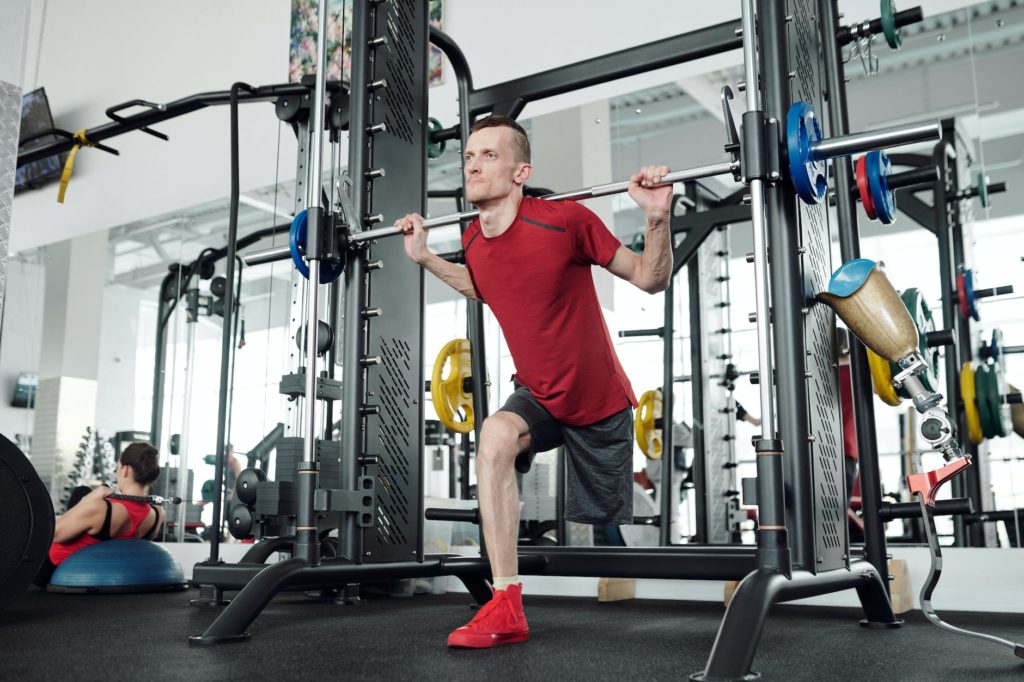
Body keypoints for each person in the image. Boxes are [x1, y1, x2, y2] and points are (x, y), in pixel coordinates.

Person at [397, 115, 672, 648]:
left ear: (522, 171)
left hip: (597, 402)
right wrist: (427, 257)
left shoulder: (566, 220)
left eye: (490, 156)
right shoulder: (473, 236)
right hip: (539, 395)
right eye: (470, 156)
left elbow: (650, 278)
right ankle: (506, 604)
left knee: (608, 534)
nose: (474, 164)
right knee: (495, 435)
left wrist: (657, 218)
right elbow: (485, 287)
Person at [33, 442, 164, 587]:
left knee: (81, 492)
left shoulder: (101, 509)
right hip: (108, 574)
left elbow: (53, 534)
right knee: (82, 491)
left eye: (117, 468)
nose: (117, 472)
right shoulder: (157, 514)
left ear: (125, 470)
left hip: (52, 569)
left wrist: (90, 498)